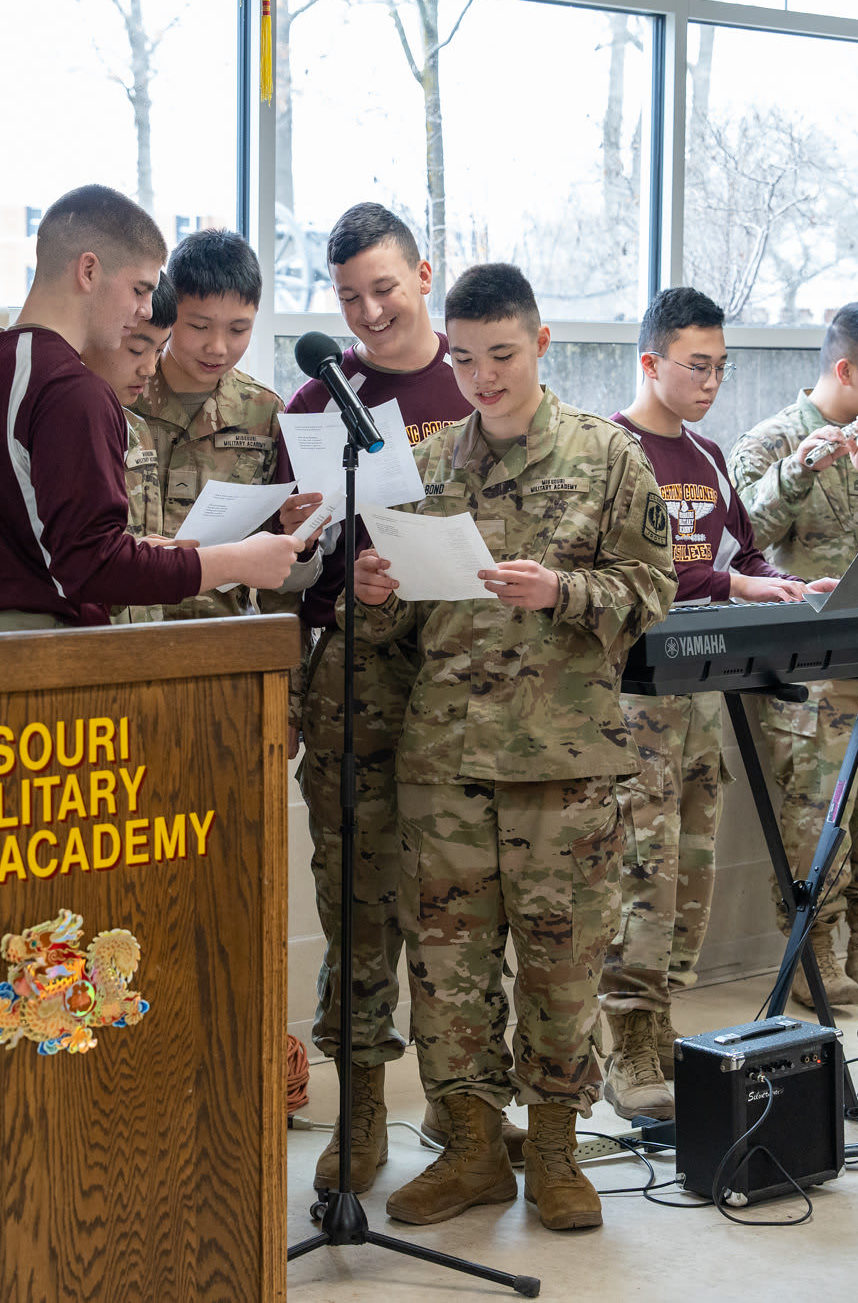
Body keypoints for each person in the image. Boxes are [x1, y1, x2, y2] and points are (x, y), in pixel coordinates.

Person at [351, 263, 675, 1231]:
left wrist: (565, 592)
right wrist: (373, 592)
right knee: (446, 975)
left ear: (539, 345)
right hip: (443, 769)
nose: (481, 378)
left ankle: (557, 1152)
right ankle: (471, 1149)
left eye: (499, 355)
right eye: (462, 359)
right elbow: (396, 635)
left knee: (559, 967)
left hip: (560, 769)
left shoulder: (607, 457)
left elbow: (652, 587)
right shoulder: (429, 467)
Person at [272, 204, 476, 1196]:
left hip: (466, 681)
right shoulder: (321, 397)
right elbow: (292, 559)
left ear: (424, 275)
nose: (366, 312)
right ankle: (358, 1123)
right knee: (355, 906)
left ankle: (463, 1110)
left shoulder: (470, 380)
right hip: (351, 681)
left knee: (460, 912)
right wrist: (313, 550)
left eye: (383, 289)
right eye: (348, 297)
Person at [0, 186, 297, 627]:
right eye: (140, 288)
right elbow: (95, 566)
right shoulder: (74, 390)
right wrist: (236, 561)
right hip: (49, 656)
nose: (146, 308)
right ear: (88, 270)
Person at [601, 286, 822, 1120]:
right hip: (632, 703)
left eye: (721, 367)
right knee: (640, 874)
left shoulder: (710, 456)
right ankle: (627, 1036)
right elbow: (634, 567)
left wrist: (787, 587)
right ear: (651, 361)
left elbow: (747, 553)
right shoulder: (609, 451)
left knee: (690, 872)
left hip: (705, 701)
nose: (711, 381)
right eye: (697, 365)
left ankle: (664, 1027)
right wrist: (732, 581)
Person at [728, 302, 858, 1010]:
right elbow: (736, 540)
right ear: (845, 368)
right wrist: (797, 472)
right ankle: (811, 954)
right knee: (818, 816)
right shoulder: (773, 441)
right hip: (816, 670)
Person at [127, 227, 313, 620]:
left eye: (238, 329)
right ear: (169, 310)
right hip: (124, 640)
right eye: (199, 326)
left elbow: (279, 570)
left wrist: (301, 540)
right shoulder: (122, 396)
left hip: (221, 641)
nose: (218, 347)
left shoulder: (264, 414)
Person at [80, 281, 180, 627]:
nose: (150, 369)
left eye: (158, 352)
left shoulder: (135, 429)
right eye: (137, 350)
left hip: (141, 639)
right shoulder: (58, 423)